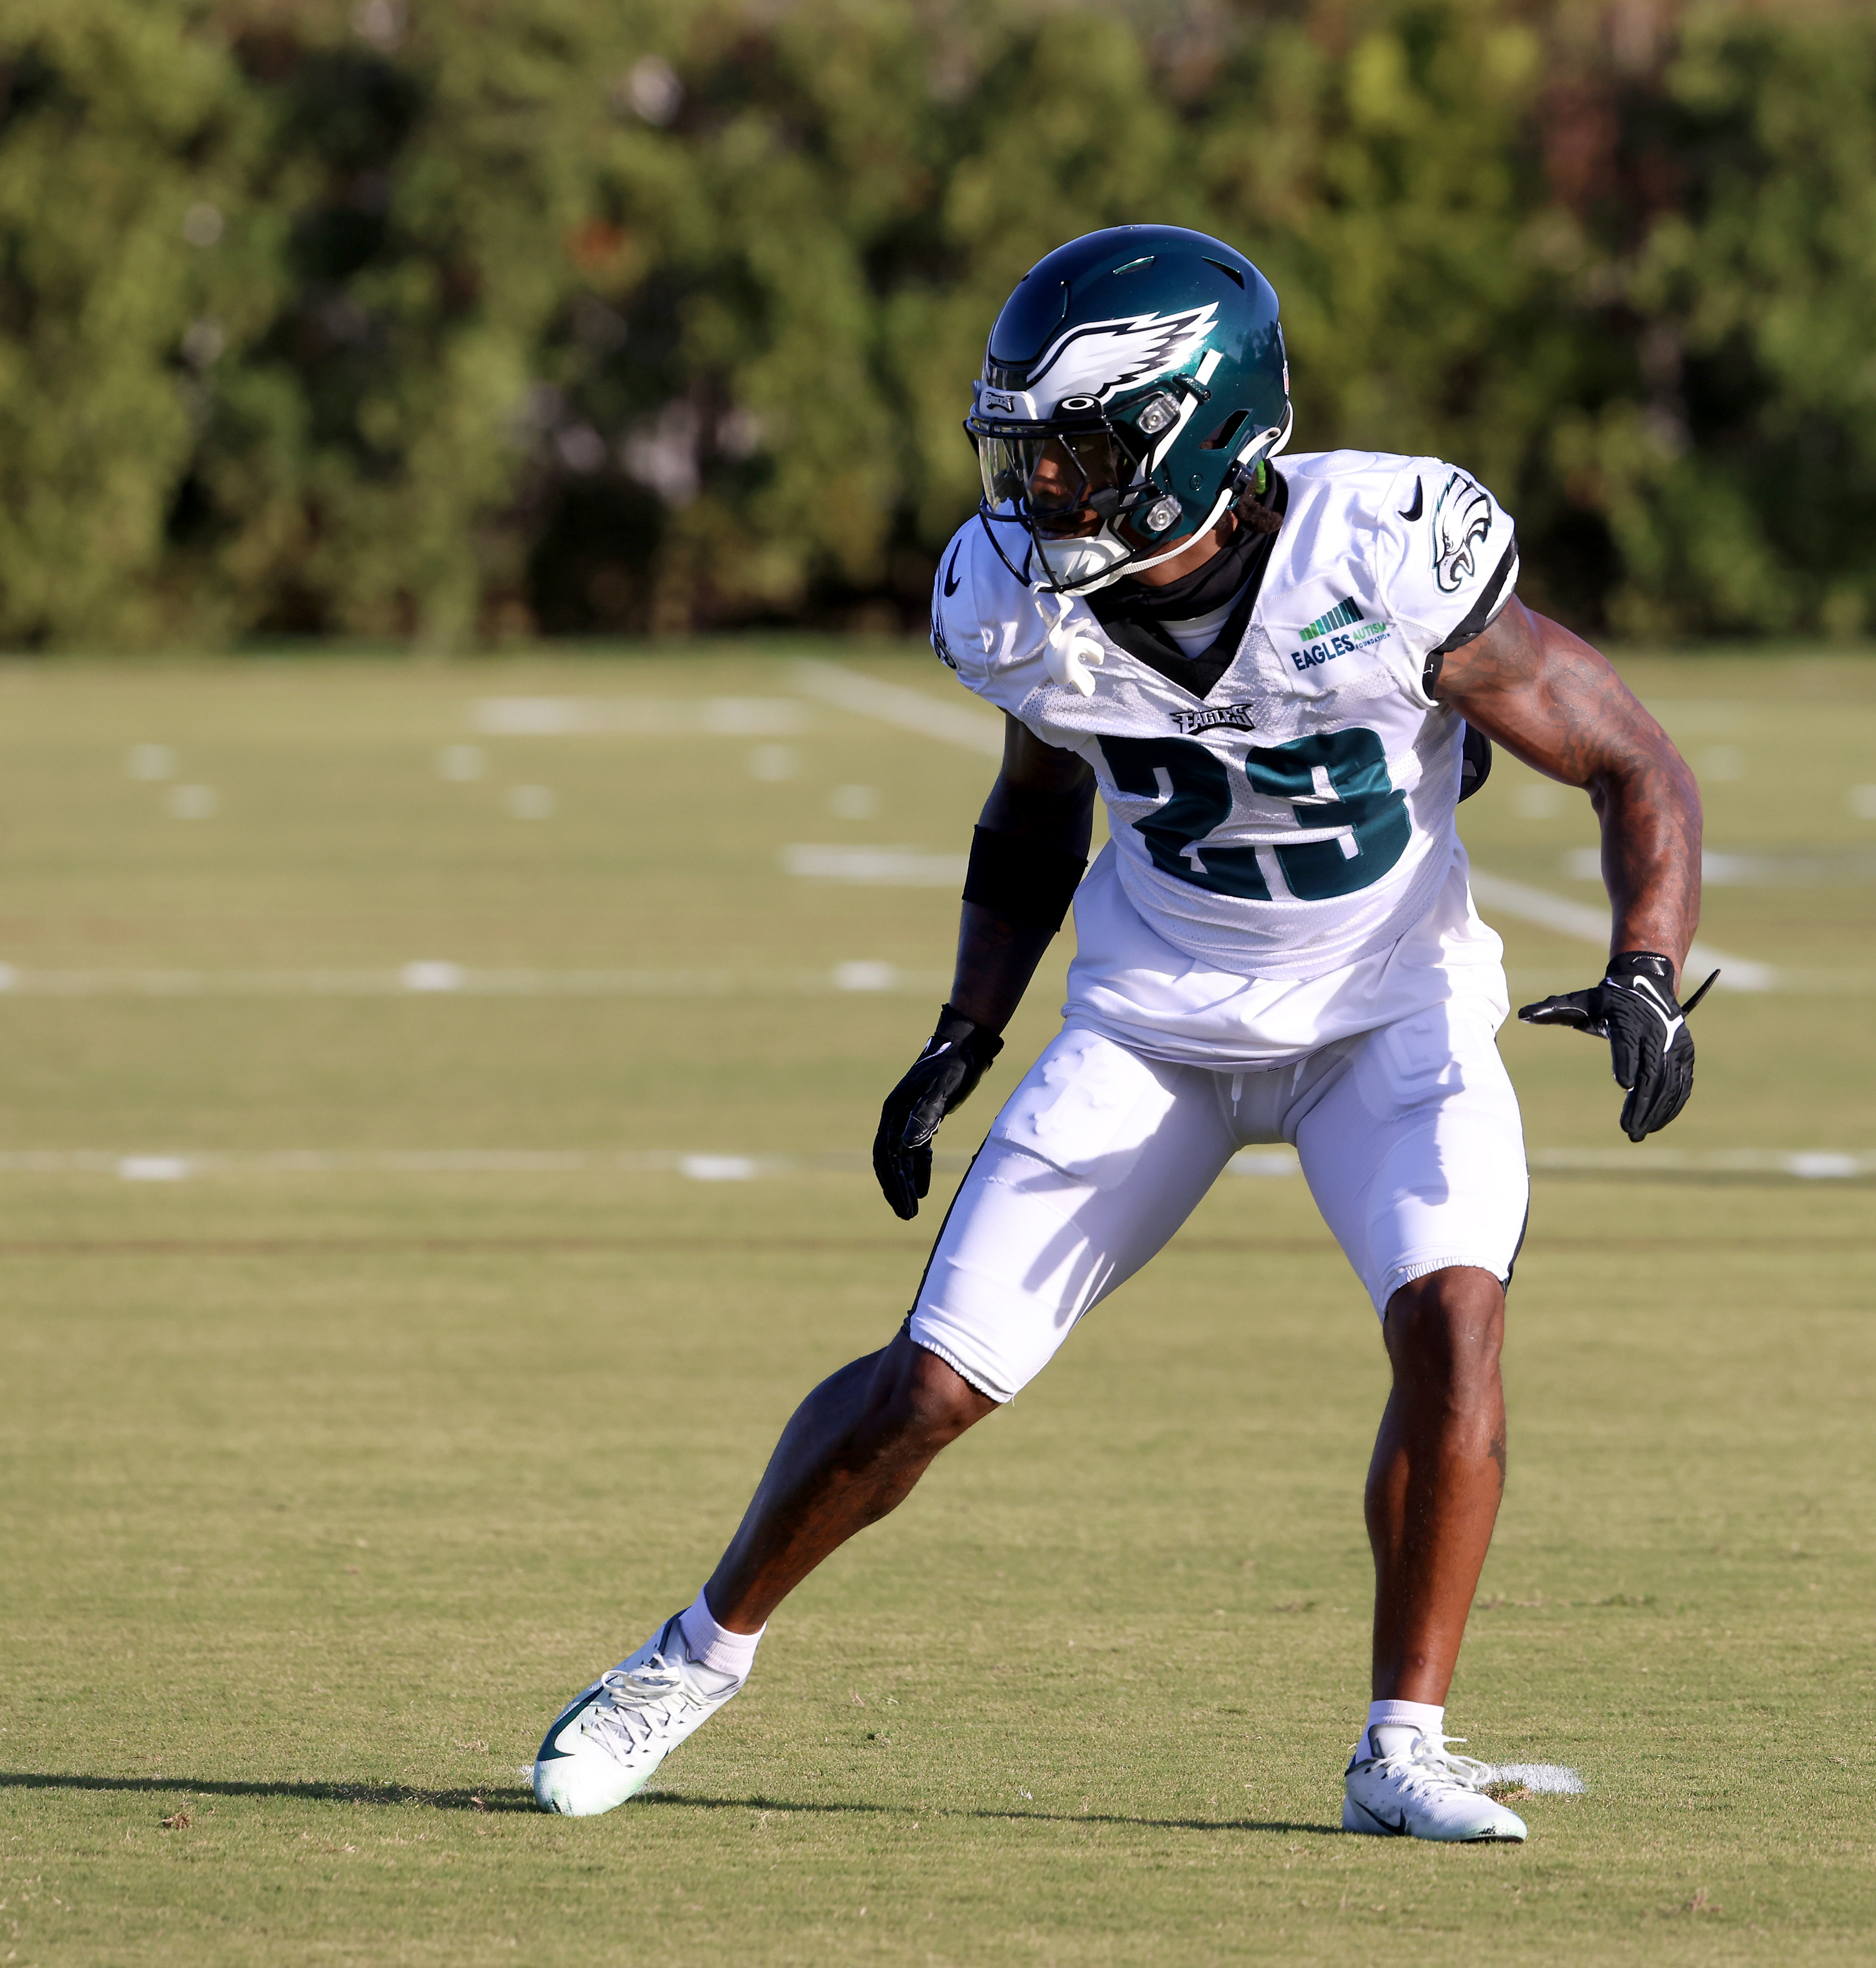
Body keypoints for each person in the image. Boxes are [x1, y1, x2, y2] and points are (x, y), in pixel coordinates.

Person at [530, 224, 1707, 1842]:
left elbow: (1636, 761)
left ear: (1205, 431)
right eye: (1028, 450)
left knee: (1456, 1324)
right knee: (931, 1386)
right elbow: (1034, 808)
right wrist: (965, 1026)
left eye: (1082, 450)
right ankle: (686, 1662)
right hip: (1153, 1024)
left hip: (1388, 1009)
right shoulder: (1016, 600)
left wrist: (1650, 963)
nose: (1044, 492)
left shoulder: (1387, 549)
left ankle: (1400, 1747)